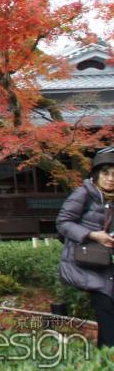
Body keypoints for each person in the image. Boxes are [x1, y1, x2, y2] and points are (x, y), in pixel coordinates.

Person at [57, 149, 114, 348]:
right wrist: (92, 235)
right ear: (97, 174)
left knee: (108, 315)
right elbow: (63, 223)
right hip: (88, 262)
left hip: (108, 263)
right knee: (106, 309)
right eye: (106, 174)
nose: (110, 179)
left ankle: (103, 362)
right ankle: (107, 363)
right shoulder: (84, 193)